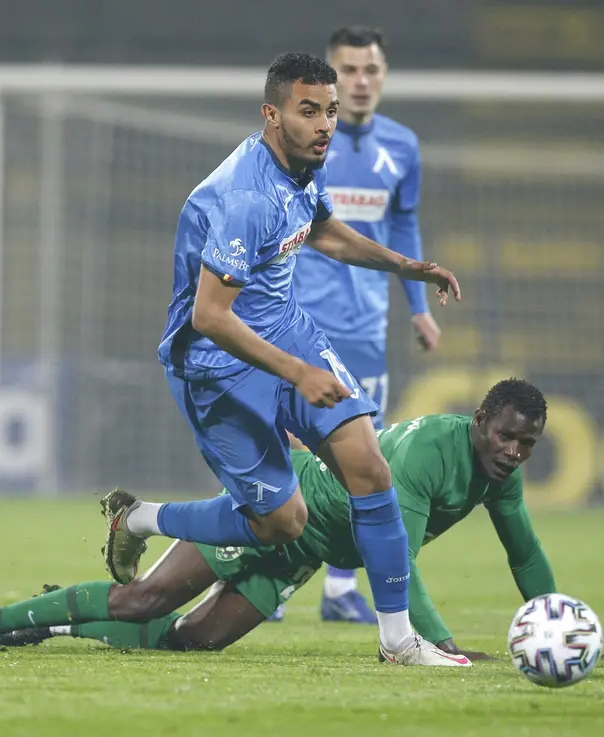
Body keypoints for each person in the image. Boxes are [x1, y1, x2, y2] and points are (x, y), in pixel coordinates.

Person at [105, 52, 462, 666]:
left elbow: (323, 231)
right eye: (309, 111)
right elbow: (209, 316)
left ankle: (398, 641)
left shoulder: (302, 166)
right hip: (217, 363)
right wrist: (298, 373)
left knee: (370, 470)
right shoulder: (247, 197)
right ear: (271, 115)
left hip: (288, 332)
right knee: (282, 524)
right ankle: (140, 519)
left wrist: (405, 266)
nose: (325, 126)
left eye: (330, 111)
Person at [0, 378, 556, 668]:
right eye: (506, 437)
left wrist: (553, 619)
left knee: (195, 642)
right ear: (480, 421)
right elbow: (396, 561)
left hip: (305, 552)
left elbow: (524, 553)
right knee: (145, 600)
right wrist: (441, 643)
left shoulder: (501, 475)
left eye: (526, 444)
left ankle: (57, 621)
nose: (513, 452)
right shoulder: (428, 456)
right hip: (282, 508)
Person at [274, 26, 441, 624]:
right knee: (292, 453)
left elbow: (404, 226)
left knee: (364, 456)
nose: (361, 81)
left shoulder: (402, 146)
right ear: (330, 77)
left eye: (371, 70)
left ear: (384, 75)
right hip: (299, 322)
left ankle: (340, 587)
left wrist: (418, 305)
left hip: (368, 326)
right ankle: (273, 578)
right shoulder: (302, 142)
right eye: (349, 70)